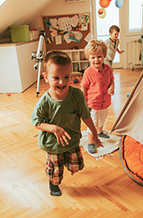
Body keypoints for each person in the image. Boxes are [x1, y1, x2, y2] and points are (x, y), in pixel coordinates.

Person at [31, 50, 102, 197]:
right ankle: (53, 183)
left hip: (71, 140)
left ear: (72, 75)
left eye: (66, 77)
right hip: (53, 143)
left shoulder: (77, 96)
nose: (62, 82)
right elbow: (36, 122)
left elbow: (86, 116)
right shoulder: (44, 102)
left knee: (76, 165)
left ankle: (63, 165)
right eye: (56, 78)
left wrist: (95, 134)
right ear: (46, 78)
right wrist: (53, 128)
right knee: (55, 170)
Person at [81, 40, 115, 154]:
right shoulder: (88, 72)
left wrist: (112, 87)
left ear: (104, 56)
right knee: (93, 123)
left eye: (99, 56)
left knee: (103, 118)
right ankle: (91, 142)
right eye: (93, 57)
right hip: (93, 103)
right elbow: (84, 87)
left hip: (105, 102)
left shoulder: (108, 69)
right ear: (88, 58)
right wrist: (83, 101)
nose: (96, 60)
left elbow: (112, 80)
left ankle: (99, 132)